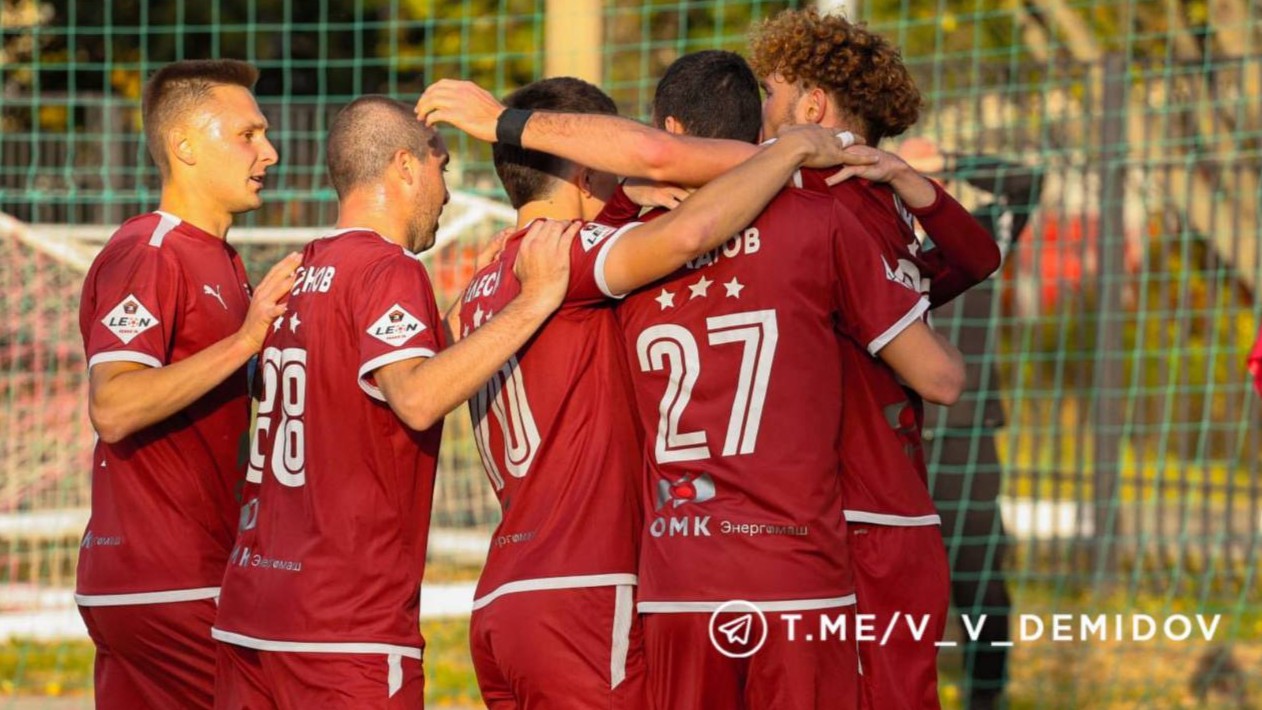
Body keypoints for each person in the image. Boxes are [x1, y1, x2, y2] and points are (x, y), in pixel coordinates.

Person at [419, 69, 965, 710]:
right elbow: (687, 228)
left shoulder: (486, 289)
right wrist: (794, 153)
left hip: (555, 592)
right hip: (644, 587)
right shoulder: (594, 256)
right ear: (589, 170)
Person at [211, 96, 578, 708]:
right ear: (406, 166)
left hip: (252, 615)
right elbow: (415, 396)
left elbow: (380, 378)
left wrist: (471, 300)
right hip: (344, 630)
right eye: (443, 167)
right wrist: (534, 300)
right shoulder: (389, 268)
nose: (448, 192)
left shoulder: (302, 270)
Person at [747, 10, 1005, 707]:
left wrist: (905, 178)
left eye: (770, 91)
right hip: (859, 504)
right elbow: (976, 259)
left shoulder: (829, 208)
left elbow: (972, 274)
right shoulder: (864, 208)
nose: (759, 109)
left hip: (859, 513)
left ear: (812, 106)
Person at [75, 58, 300, 710]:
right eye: (248, 134)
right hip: (169, 580)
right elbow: (114, 404)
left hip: (169, 578)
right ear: (185, 147)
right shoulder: (151, 252)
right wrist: (246, 342)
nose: (270, 152)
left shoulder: (222, 260)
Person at [904, 139, 1045, 710]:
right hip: (893, 439)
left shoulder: (971, 238)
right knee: (890, 585)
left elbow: (1026, 183)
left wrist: (949, 162)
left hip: (965, 441)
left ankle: (987, 696)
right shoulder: (866, 237)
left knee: (981, 581)